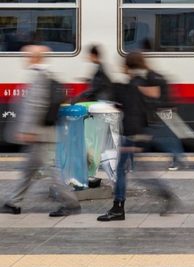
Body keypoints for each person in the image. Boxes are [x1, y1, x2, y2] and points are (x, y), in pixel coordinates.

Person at [0, 45, 81, 217]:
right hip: (42, 132)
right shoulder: (46, 75)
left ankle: (71, 204)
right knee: (27, 169)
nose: (25, 58)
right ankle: (13, 202)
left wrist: (28, 130)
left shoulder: (39, 76)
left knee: (54, 172)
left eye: (27, 55)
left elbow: (35, 105)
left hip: (40, 134)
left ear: (35, 57)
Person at [97, 52, 178, 222]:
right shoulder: (144, 82)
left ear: (128, 66)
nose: (121, 67)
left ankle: (118, 208)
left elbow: (133, 112)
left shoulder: (133, 85)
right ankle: (164, 194)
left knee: (124, 171)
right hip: (140, 132)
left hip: (132, 135)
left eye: (123, 65)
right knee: (138, 172)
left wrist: (131, 137)